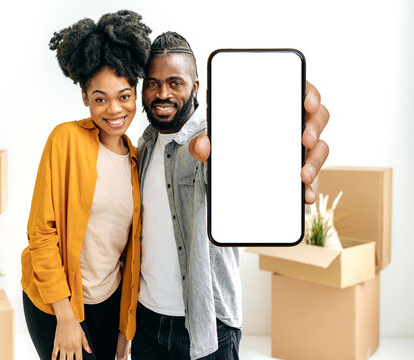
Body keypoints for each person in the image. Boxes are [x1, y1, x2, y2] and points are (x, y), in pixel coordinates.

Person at [131, 32, 330, 360]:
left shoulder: (214, 137)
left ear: (196, 88)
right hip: (147, 319)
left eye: (174, 83)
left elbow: (247, 160)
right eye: (152, 83)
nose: (162, 93)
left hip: (208, 323)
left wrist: (274, 132)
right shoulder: (145, 143)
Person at [20, 10, 151, 360]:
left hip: (108, 301)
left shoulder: (139, 160)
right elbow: (41, 233)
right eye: (100, 98)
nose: (114, 110)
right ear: (84, 96)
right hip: (55, 301)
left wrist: (127, 327)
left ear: (135, 93)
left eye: (124, 96)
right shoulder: (65, 140)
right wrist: (65, 317)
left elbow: (131, 254)